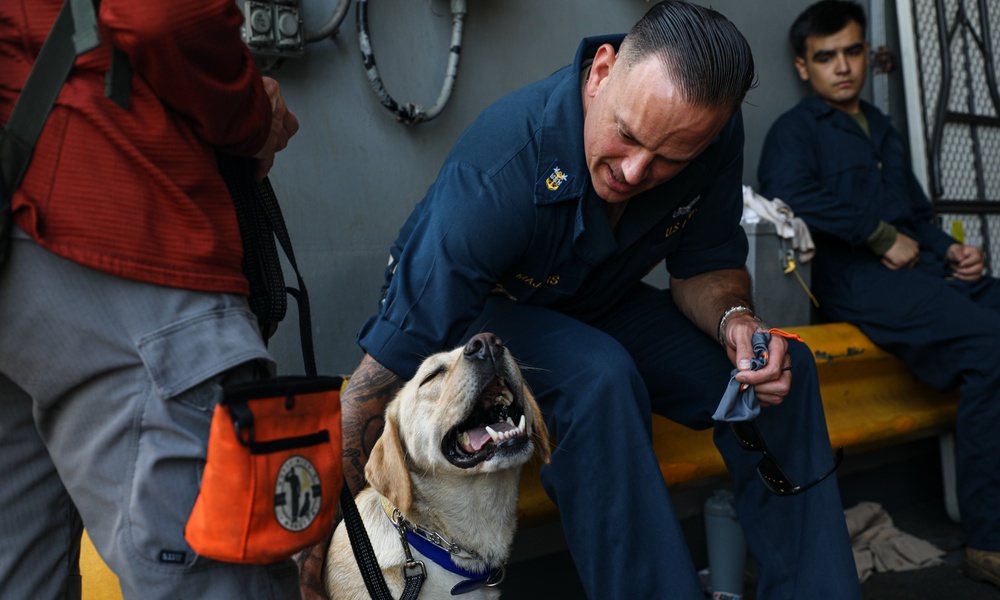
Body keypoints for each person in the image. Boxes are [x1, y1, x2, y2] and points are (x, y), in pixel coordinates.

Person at [322, 1, 861, 598]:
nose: (633, 171)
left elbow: (707, 267)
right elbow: (377, 383)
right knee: (599, 377)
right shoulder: (495, 175)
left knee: (779, 371)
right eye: (626, 136)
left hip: (598, 301)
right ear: (602, 72)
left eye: (668, 160)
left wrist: (738, 321)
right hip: (484, 322)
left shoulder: (709, 131)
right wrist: (314, 563)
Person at [0, 1, 300, 599]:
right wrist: (250, 115)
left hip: (17, 258)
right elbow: (165, 14)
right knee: (212, 578)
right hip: (111, 228)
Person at [758, 0, 1000, 589]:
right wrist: (878, 235)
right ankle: (989, 541)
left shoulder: (881, 127)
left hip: (922, 274)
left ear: (866, 53)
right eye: (826, 56)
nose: (842, 66)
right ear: (802, 66)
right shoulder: (795, 131)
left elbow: (918, 214)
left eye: (852, 51)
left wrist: (951, 250)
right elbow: (788, 197)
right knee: (990, 347)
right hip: (855, 282)